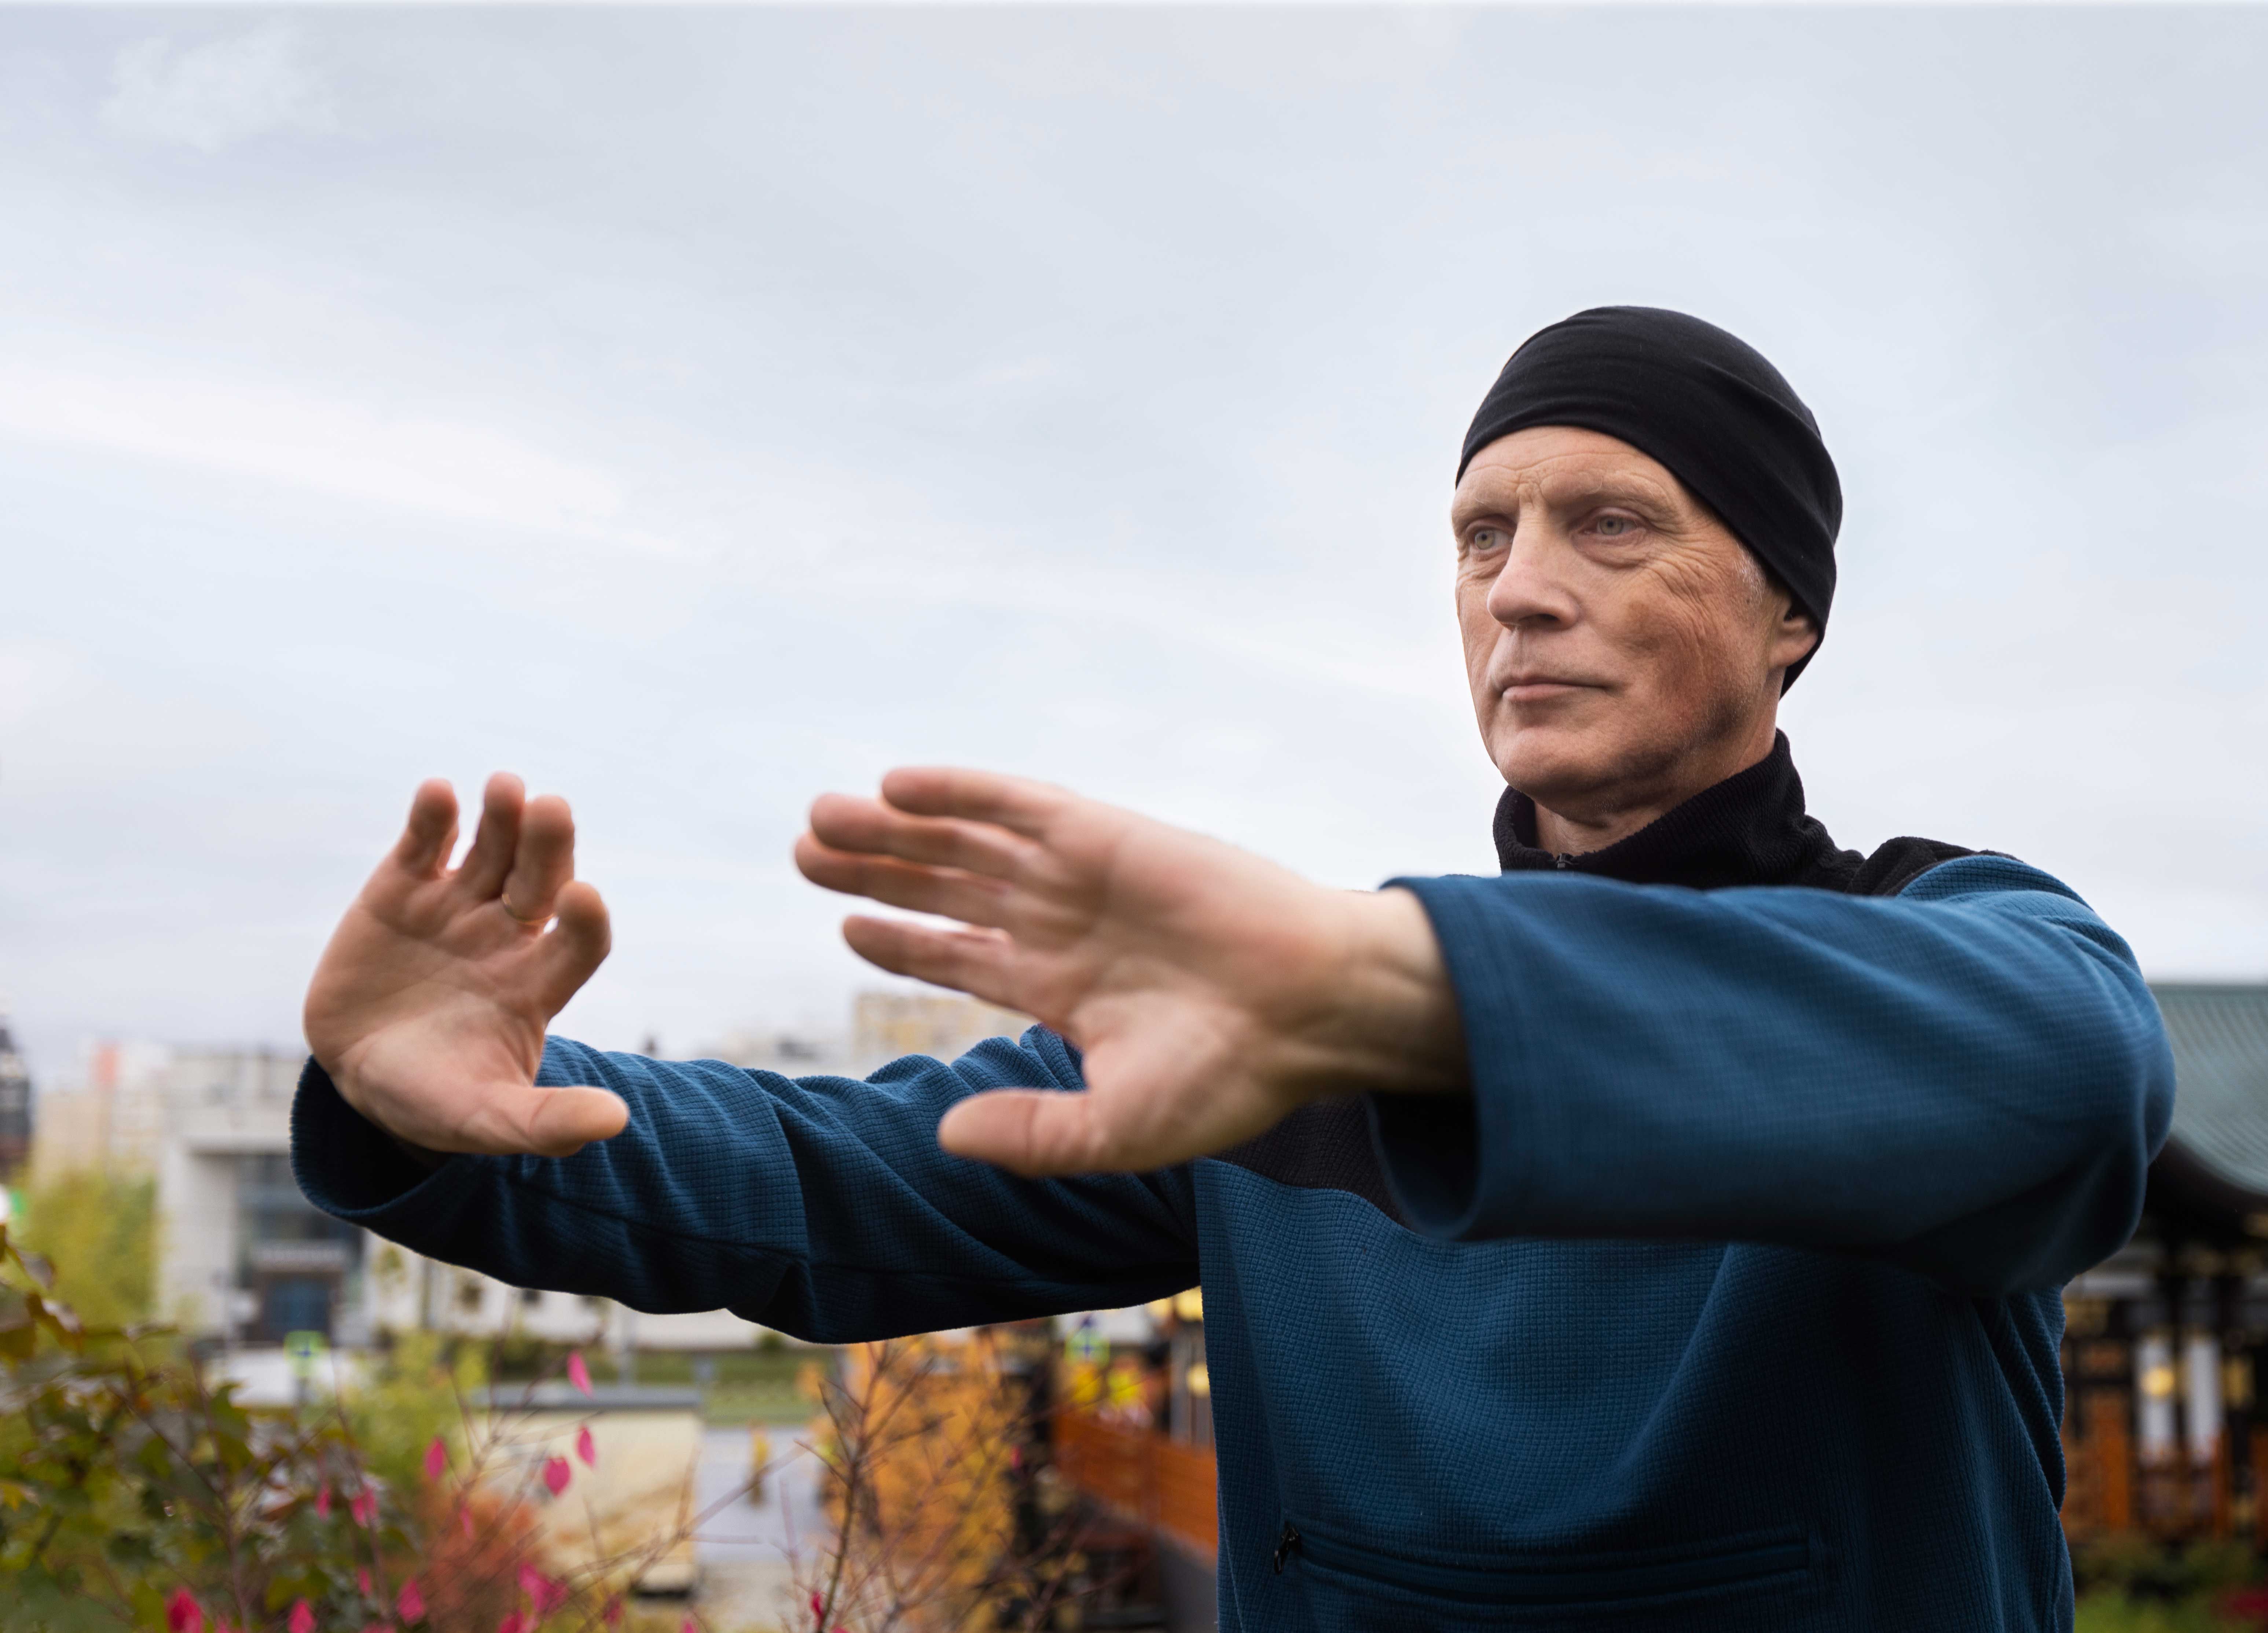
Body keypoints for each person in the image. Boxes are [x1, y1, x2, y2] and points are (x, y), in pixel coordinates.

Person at [292, 307, 2173, 1632]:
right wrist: (450, 1116)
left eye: (1610, 521)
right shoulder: (1277, 1019)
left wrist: (1398, 1001)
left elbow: (2065, 1078)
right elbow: (839, 1179)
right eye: (1477, 534)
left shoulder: (1939, 938)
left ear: (1789, 614)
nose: (1516, 587)